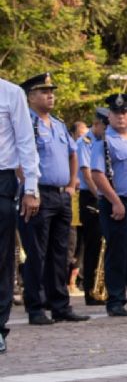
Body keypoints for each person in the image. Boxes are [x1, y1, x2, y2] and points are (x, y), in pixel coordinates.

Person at [18, 73, 90, 325]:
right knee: (36, 253)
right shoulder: (25, 123)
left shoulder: (58, 124)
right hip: (37, 194)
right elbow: (19, 159)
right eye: (43, 91)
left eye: (51, 91)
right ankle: (36, 307)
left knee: (61, 253)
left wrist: (71, 184)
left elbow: (73, 153)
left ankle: (60, 305)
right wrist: (28, 189)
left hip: (60, 195)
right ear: (30, 96)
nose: (50, 95)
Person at [90, 93, 127, 317]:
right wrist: (115, 201)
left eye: (125, 112)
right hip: (117, 202)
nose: (121, 116)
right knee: (117, 253)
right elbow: (97, 175)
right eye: (116, 113)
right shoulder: (104, 141)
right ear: (108, 116)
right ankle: (116, 299)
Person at [0, 76, 40, 354]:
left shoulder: (10, 93)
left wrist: (31, 187)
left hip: (1, 180)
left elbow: (26, 141)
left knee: (1, 259)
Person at [76, 108, 108, 305]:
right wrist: (102, 196)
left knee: (106, 245)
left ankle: (104, 289)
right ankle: (90, 291)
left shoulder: (102, 142)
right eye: (105, 126)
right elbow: (88, 175)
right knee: (93, 246)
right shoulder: (85, 142)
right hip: (91, 196)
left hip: (103, 194)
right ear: (97, 124)